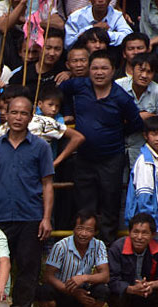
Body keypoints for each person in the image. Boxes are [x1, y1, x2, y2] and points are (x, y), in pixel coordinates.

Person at [0, 94, 54, 307]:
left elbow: (47, 184)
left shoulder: (41, 146)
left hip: (30, 216)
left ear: (31, 117)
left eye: (23, 113)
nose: (18, 117)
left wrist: (46, 218)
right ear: (6, 114)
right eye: (14, 112)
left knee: (28, 267)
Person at [61, 50, 143, 242]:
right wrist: (67, 113)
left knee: (109, 205)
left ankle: (106, 249)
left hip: (111, 159)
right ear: (89, 70)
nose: (99, 72)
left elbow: (136, 123)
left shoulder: (121, 97)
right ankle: (81, 248)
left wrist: (115, 133)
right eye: (95, 68)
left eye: (104, 68)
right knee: (83, 206)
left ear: (113, 71)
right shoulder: (79, 85)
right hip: (83, 158)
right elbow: (63, 90)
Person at [35, 209, 109, 307]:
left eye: (89, 230)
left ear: (95, 232)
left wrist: (84, 278)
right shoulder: (61, 246)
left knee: (103, 290)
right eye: (80, 228)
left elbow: (105, 275)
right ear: (73, 228)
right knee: (43, 290)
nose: (83, 233)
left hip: (84, 295)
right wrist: (72, 292)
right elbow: (48, 276)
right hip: (61, 293)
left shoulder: (99, 245)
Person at [107, 212, 158, 307]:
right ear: (129, 232)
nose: (139, 237)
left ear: (153, 235)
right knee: (111, 290)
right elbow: (112, 279)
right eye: (135, 232)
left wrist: (151, 285)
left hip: (148, 295)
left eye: (145, 233)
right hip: (126, 296)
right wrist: (131, 289)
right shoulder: (117, 248)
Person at [116, 53, 158, 167]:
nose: (144, 75)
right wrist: (141, 117)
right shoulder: (118, 86)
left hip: (143, 146)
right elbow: (110, 117)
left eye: (149, 72)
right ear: (131, 69)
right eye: (141, 70)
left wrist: (130, 118)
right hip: (118, 143)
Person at [125, 116, 158, 233]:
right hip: (149, 218)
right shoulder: (145, 161)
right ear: (145, 135)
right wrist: (149, 225)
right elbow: (144, 197)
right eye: (154, 134)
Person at [65, 0, 130, 48]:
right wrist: (92, 28)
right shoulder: (76, 17)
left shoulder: (116, 15)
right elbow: (68, 43)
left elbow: (128, 37)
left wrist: (103, 35)